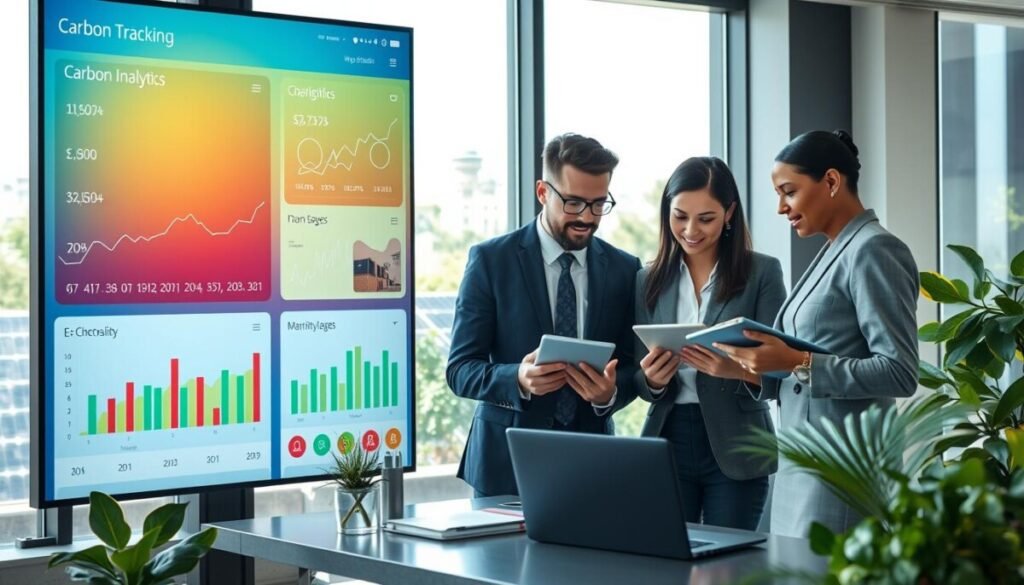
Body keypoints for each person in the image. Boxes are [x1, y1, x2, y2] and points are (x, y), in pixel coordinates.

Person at [712, 130, 919, 538]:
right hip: (803, 465)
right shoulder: (835, 249)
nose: (780, 208)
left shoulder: (874, 249)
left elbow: (899, 372)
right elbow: (806, 371)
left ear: (831, 181)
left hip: (841, 472)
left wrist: (796, 361)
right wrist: (745, 368)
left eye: (789, 192)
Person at [446, 132, 641, 497]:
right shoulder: (491, 261)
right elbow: (459, 370)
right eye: (573, 203)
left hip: (591, 464)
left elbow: (633, 368)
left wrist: (609, 394)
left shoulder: (624, 269)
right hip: (505, 463)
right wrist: (518, 378)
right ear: (542, 192)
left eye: (599, 204)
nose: (587, 217)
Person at [633, 157, 786, 531]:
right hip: (667, 438)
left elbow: (782, 373)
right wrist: (652, 380)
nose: (690, 230)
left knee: (731, 558)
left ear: (729, 213)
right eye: (680, 216)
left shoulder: (762, 273)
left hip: (738, 442)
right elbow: (638, 378)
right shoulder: (647, 280)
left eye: (705, 218)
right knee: (668, 556)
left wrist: (735, 369)